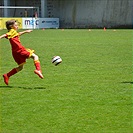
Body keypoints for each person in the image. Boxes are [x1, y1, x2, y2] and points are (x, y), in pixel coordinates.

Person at [0, 20, 44, 85]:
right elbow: (5, 35)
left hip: (15, 53)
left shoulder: (13, 32)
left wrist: (26, 31)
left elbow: (18, 34)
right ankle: (38, 70)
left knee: (20, 67)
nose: (17, 26)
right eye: (16, 25)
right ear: (11, 26)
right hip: (20, 50)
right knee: (35, 56)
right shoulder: (11, 31)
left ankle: (7, 75)